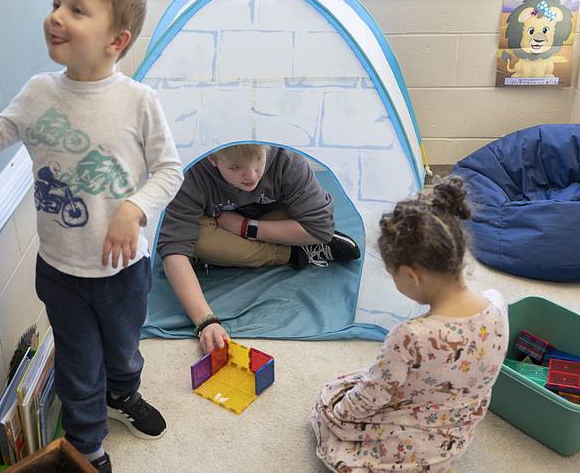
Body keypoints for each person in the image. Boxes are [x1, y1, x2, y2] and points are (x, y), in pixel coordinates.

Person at [0, 0, 183, 473]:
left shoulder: (140, 102)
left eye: (76, 10)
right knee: (80, 369)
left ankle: (123, 395)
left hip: (125, 273)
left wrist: (133, 206)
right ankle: (89, 447)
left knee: (123, 353)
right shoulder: (39, 93)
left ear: (115, 40)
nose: (56, 17)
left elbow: (170, 171)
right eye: (56, 4)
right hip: (62, 271)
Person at [311, 177, 509, 472]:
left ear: (411, 276)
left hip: (412, 442)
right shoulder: (496, 305)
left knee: (329, 406)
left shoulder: (410, 337)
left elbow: (372, 395)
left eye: (394, 276)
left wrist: (340, 411)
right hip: (457, 432)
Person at [157, 143, 361, 353]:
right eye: (236, 168)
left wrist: (246, 228)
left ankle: (290, 247)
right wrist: (206, 322)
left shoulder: (284, 157)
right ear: (213, 160)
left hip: (268, 218)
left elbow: (320, 228)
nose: (251, 175)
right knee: (200, 242)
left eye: (258, 162)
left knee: (303, 221)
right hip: (217, 224)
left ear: (266, 150)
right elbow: (174, 250)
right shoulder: (192, 172)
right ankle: (295, 252)